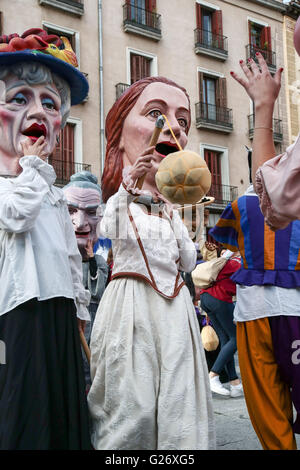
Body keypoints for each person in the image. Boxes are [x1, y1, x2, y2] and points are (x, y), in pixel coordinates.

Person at [87, 76, 215, 450]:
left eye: (184, 121)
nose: (174, 127)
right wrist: (131, 184)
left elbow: (188, 261)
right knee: (133, 409)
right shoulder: (119, 201)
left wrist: (186, 217)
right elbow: (107, 230)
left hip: (175, 312)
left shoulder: (170, 209)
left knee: (180, 407)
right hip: (130, 307)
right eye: (157, 114)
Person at [0, 28, 92, 449]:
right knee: (26, 410)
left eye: (50, 103)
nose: (38, 112)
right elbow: (17, 217)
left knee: (63, 409)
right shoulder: (13, 183)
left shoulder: (54, 192)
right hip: (21, 312)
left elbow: (72, 258)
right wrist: (32, 168)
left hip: (59, 313)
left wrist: (79, 312)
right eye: (19, 98)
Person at [209, 173, 300, 450]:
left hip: (253, 311)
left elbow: (227, 241)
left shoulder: (238, 205)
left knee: (266, 403)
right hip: (292, 307)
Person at [63, 171, 108, 389]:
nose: (80, 223)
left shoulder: (99, 260)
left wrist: (90, 260)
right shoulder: (57, 257)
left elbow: (98, 290)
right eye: (70, 211)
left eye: (91, 212)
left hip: (93, 317)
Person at [199, 250, 242, 397]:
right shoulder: (235, 263)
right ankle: (213, 375)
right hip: (220, 298)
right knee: (236, 338)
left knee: (226, 339)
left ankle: (234, 382)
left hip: (207, 298)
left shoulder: (223, 262)